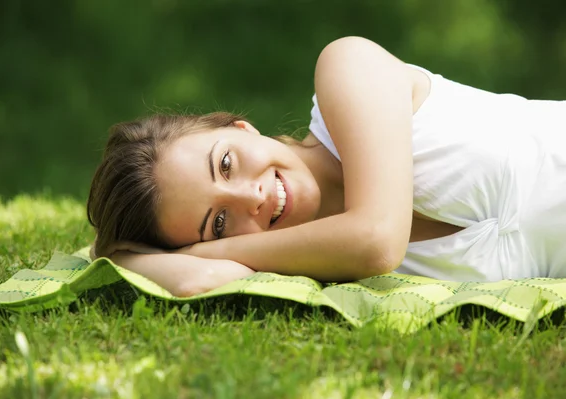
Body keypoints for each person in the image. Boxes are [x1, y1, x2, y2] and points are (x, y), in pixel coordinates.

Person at [87, 36, 566, 297]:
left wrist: (196, 250)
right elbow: (202, 284)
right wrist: (139, 261)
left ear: (240, 127)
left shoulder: (346, 69)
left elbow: (377, 240)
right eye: (217, 224)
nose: (249, 198)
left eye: (226, 164)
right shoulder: (313, 265)